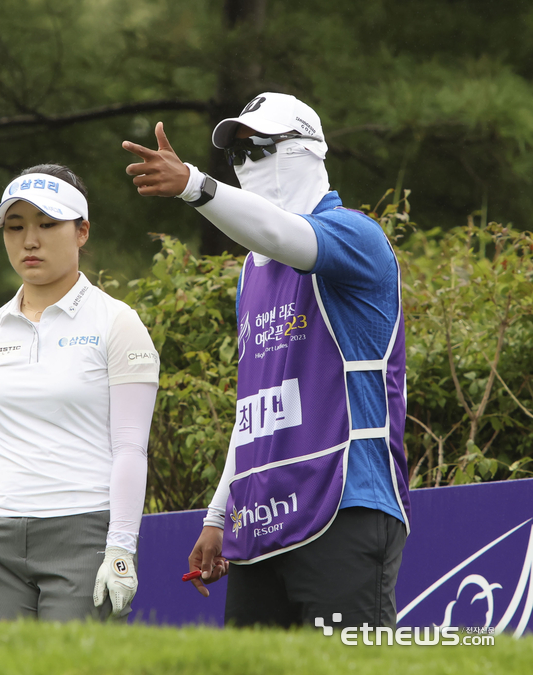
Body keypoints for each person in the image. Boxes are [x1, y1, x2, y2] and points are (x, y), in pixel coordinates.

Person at [122, 93, 411, 629]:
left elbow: (283, 233)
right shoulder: (253, 272)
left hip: (345, 503)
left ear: (306, 151)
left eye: (259, 150)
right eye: (236, 157)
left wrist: (192, 183)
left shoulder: (356, 236)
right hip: (262, 521)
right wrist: (217, 516)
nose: (245, 166)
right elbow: (253, 410)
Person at [0, 164, 159, 622]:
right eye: (15, 227)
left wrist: (120, 548)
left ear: (82, 231)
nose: (29, 240)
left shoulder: (116, 322)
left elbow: (130, 447)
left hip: (83, 532)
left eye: (47, 224)